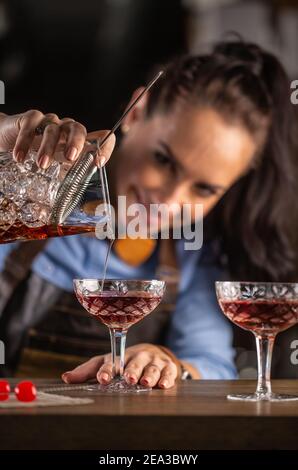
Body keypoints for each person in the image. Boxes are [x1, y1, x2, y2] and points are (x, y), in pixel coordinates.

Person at [0, 39, 296, 387]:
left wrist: (171, 364)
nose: (168, 201)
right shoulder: (25, 208)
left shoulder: (193, 259)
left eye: (204, 189)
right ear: (136, 113)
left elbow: (213, 364)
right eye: (164, 160)